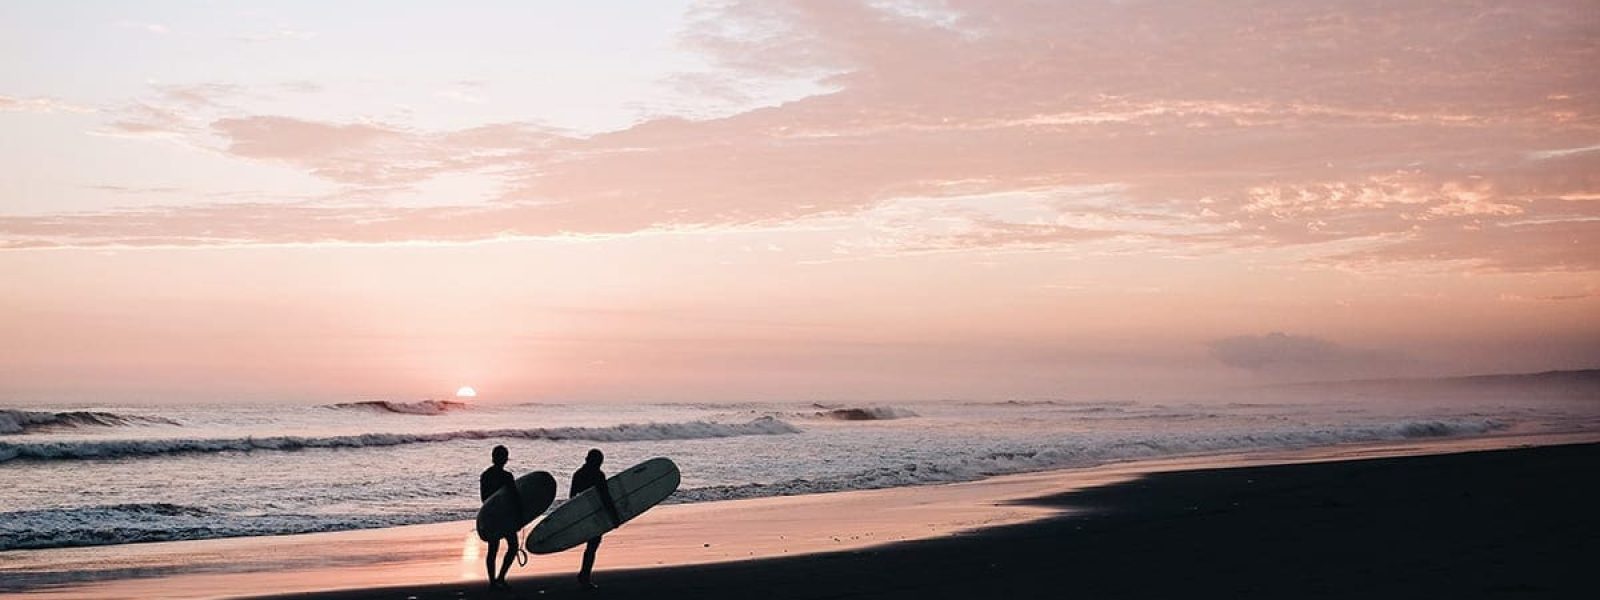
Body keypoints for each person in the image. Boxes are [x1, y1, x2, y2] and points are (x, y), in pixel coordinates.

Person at [572, 448, 623, 589]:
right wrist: (614, 516)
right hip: (595, 514)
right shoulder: (598, 475)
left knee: (591, 546)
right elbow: (605, 497)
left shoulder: (578, 474)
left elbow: (572, 498)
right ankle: (584, 576)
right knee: (592, 546)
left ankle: (584, 574)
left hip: (582, 515)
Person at [480, 445, 523, 590]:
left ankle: (494, 581)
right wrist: (520, 516)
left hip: (492, 516)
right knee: (513, 547)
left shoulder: (485, 475)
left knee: (494, 549)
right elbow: (515, 498)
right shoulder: (507, 476)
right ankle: (500, 578)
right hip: (505, 517)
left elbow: (484, 499)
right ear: (504, 459)